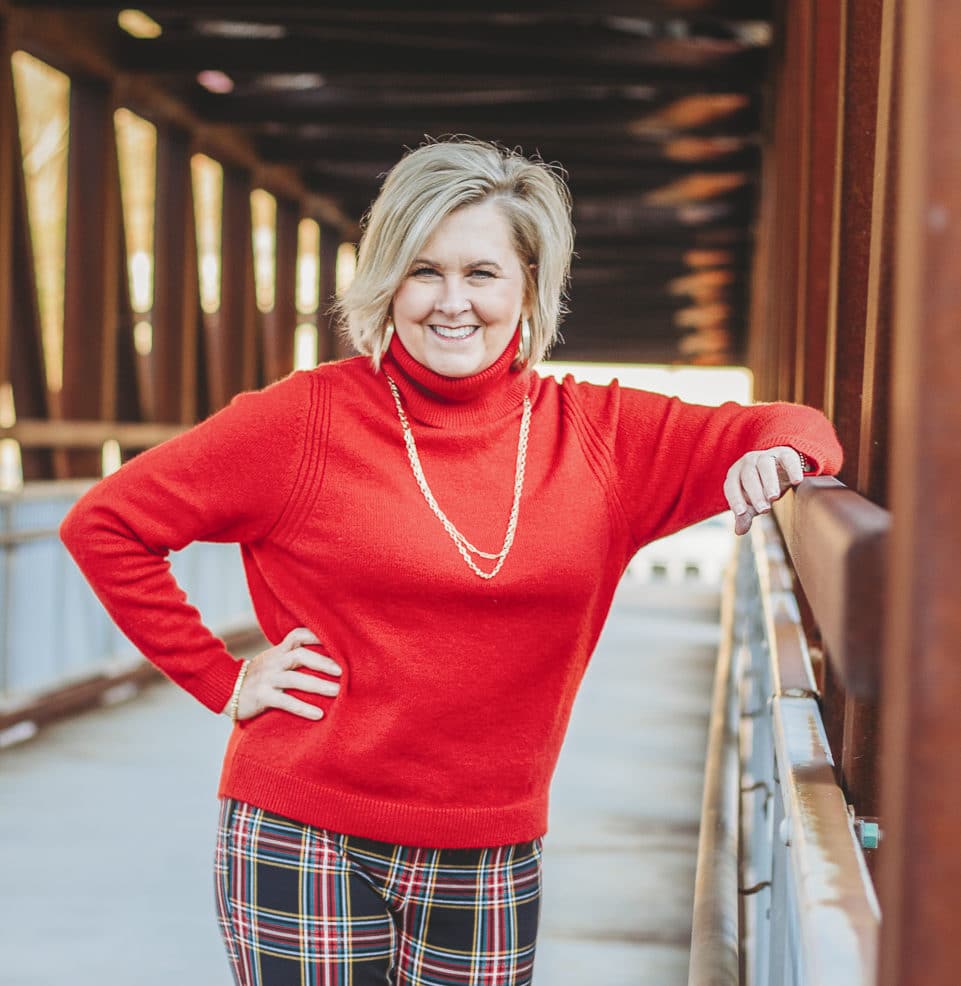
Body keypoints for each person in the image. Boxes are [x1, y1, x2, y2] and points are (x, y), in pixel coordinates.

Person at [60, 137, 842, 986]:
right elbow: (105, 524)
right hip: (303, 826)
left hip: (491, 847)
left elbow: (791, 422)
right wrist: (223, 678)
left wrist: (786, 458)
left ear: (529, 287)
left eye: (481, 273)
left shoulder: (600, 437)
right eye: (423, 271)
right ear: (386, 280)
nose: (450, 303)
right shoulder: (304, 419)